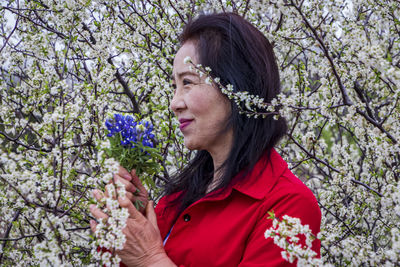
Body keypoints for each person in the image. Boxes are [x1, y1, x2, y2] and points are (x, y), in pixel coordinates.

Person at [90, 12, 321, 267]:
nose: (174, 103)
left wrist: (150, 258)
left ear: (236, 87)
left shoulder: (288, 207)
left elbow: (150, 260)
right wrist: (132, 225)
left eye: (187, 82)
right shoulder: (178, 199)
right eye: (174, 86)